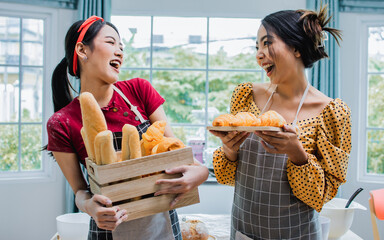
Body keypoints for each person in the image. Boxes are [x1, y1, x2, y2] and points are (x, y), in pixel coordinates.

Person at [46, 16, 208, 240]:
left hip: (163, 225)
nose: (120, 52)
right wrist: (90, 207)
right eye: (111, 43)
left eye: (122, 47)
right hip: (108, 228)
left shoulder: (138, 90)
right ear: (82, 50)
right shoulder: (61, 122)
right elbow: (80, 192)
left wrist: (200, 172)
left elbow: (177, 153)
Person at [209, 5, 351, 240]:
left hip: (297, 234)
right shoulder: (245, 96)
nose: (259, 54)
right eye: (257, 47)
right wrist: (229, 149)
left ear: (296, 47)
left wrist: (297, 153)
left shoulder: (332, 112)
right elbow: (226, 177)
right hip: (243, 231)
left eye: (267, 43)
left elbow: (322, 195)